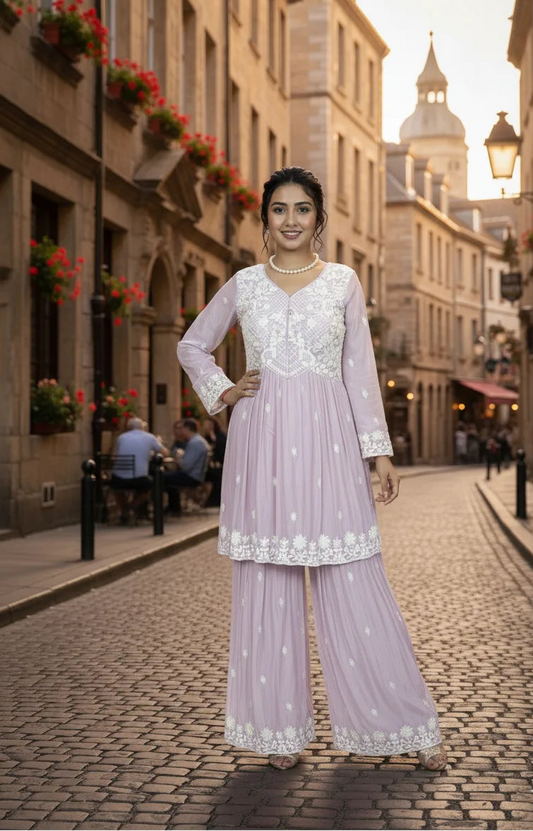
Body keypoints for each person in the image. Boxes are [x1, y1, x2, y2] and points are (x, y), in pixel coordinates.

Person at [176, 166, 447, 772]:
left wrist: (379, 453)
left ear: (319, 220)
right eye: (279, 209)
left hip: (330, 450)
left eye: (303, 209)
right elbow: (191, 345)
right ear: (265, 220)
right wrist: (223, 390)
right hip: (261, 447)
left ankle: (405, 723)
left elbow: (359, 373)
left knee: (356, 582)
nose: (291, 219)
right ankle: (278, 734)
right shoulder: (243, 285)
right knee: (268, 586)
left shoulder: (343, 283)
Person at [110, 417, 167, 521]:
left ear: (128, 427)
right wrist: (158, 443)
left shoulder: (121, 438)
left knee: (117, 488)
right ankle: (131, 507)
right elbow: (165, 453)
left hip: (118, 479)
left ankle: (124, 510)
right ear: (143, 427)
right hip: (139, 479)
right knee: (150, 485)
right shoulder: (150, 437)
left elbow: (114, 456)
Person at [164, 419, 210, 515]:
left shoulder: (195, 442)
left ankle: (173, 508)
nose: (180, 431)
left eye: (182, 428)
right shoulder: (198, 441)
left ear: (187, 429)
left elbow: (186, 466)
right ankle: (173, 507)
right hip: (196, 475)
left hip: (192, 476)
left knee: (162, 478)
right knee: (167, 476)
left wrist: (178, 457)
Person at [202, 415, 227, 507]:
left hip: (220, 465)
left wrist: (214, 439)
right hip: (206, 466)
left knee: (219, 476)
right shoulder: (205, 438)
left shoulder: (220, 437)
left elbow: (221, 452)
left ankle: (214, 501)